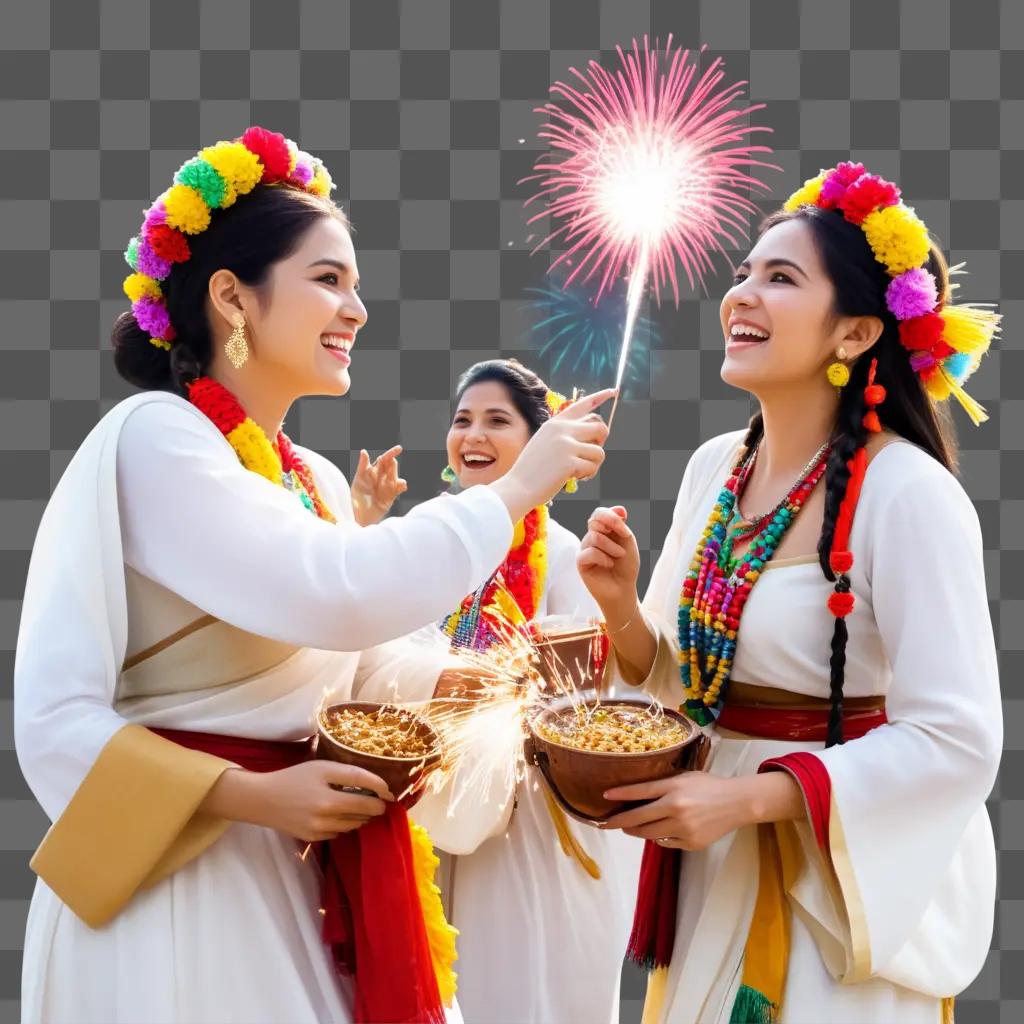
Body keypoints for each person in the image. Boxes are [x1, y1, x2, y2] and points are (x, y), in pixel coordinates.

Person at [14, 127, 613, 1024]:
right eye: (328, 279)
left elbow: (357, 659)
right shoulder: (156, 438)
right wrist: (522, 487)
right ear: (232, 297)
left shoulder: (312, 478)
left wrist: (474, 686)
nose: (357, 310)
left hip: (300, 865)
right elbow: (335, 590)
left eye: (356, 284)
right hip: (184, 882)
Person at [577, 164, 1000, 1022]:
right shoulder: (714, 470)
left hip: (833, 869)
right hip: (708, 849)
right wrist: (622, 607)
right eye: (742, 274)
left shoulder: (907, 494)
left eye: (780, 278)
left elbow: (958, 737)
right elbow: (680, 684)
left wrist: (745, 798)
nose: (742, 295)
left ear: (853, 335)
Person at [412, 359, 642, 1024]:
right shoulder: (430, 532)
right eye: (462, 420)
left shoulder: (573, 557)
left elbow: (608, 693)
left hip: (538, 819)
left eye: (496, 421)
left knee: (523, 989)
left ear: (539, 444)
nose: (473, 435)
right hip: (437, 799)